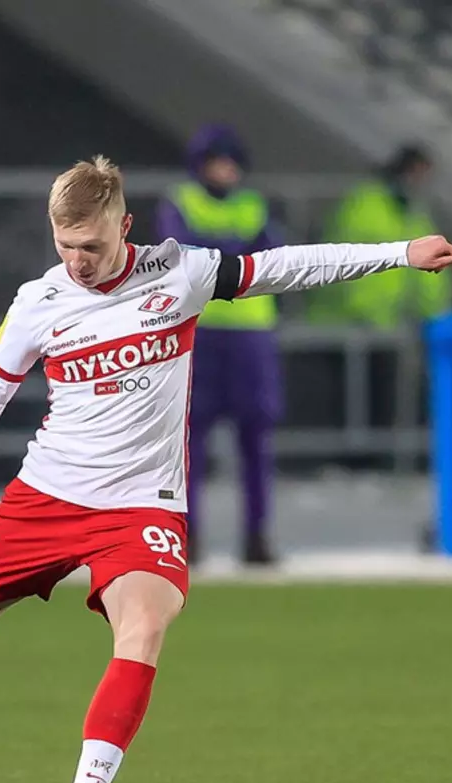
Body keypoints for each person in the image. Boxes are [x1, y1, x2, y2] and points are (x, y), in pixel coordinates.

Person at [0, 156, 452, 783]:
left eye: (91, 246)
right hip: (46, 499)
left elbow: (285, 267)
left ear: (124, 227)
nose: (77, 261)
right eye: (65, 246)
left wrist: (400, 253)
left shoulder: (180, 272)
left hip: (143, 508)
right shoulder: (39, 302)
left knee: (143, 628)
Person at [156, 124, 283, 565]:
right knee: (189, 443)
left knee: (256, 442)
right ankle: (186, 536)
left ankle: (257, 536)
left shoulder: (253, 204)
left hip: (250, 335)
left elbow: (269, 255)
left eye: (231, 163)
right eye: (216, 162)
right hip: (199, 332)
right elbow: (181, 254)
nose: (225, 171)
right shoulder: (181, 200)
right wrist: (234, 253)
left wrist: (214, 251)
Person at [308, 143, 452, 331]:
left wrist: (434, 315)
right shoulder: (365, 204)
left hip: (382, 324)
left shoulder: (414, 217)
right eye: (416, 175)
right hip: (342, 322)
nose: (418, 184)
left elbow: (430, 274)